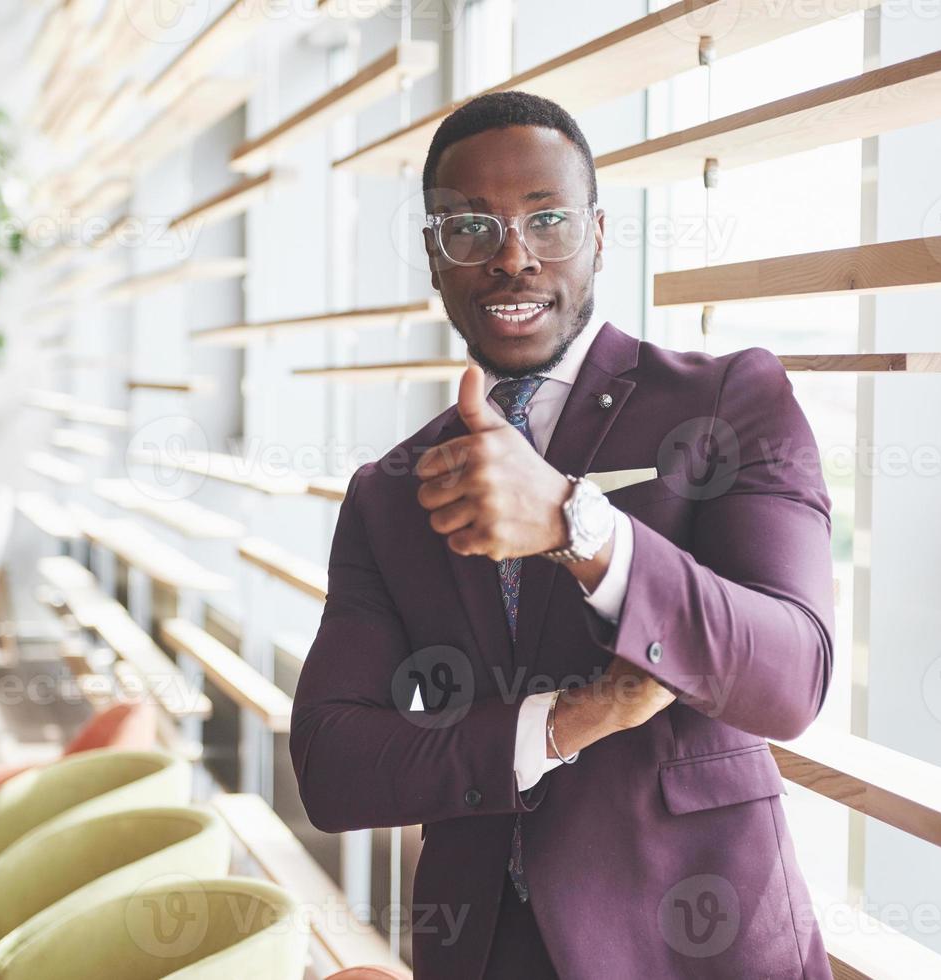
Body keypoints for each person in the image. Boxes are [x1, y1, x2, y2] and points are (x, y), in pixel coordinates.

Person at [291, 91, 835, 979]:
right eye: (471, 227)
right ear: (435, 255)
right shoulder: (390, 494)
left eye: (548, 219)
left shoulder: (728, 402)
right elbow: (331, 763)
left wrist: (581, 529)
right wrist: (559, 726)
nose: (513, 257)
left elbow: (793, 676)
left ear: (598, 235)